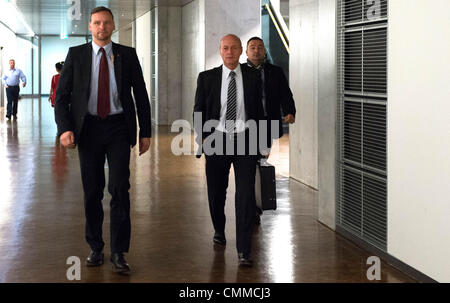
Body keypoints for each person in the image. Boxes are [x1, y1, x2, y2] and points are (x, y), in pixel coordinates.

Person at [54, 6, 151, 274]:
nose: (102, 27)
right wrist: (65, 128)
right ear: (90, 26)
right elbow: (62, 96)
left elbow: (140, 94)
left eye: (106, 23)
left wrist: (145, 131)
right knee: (93, 189)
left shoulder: (127, 55)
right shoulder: (77, 55)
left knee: (120, 187)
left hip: (119, 127)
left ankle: (119, 251)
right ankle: (95, 246)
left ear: (113, 25)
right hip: (89, 129)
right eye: (97, 23)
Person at [193, 34, 263, 267]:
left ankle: (244, 250)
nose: (230, 52)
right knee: (216, 192)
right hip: (217, 139)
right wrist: (202, 137)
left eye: (234, 48)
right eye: (225, 48)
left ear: (241, 50)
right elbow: (199, 110)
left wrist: (263, 141)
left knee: (245, 194)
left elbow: (259, 111)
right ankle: (219, 229)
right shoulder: (207, 78)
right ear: (220, 51)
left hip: (245, 139)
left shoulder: (253, 77)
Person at [246, 37, 296, 223]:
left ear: (264, 51)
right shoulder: (240, 72)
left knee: (261, 161)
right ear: (246, 52)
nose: (256, 51)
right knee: (249, 165)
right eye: (253, 47)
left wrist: (290, 111)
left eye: (260, 47)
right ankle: (251, 206)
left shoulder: (275, 72)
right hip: (246, 127)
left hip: (267, 124)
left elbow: (285, 93)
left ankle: (256, 202)